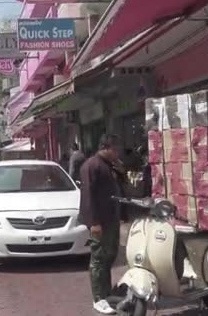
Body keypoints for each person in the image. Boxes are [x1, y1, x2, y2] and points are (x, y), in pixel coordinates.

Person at [79, 134, 125, 315]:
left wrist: (120, 170)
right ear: (105, 147)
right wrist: (94, 223)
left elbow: (120, 188)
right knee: (98, 258)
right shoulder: (91, 166)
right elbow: (87, 196)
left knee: (109, 257)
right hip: (100, 222)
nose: (117, 152)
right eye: (114, 149)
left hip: (111, 219)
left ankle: (107, 293)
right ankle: (99, 298)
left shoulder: (109, 165)